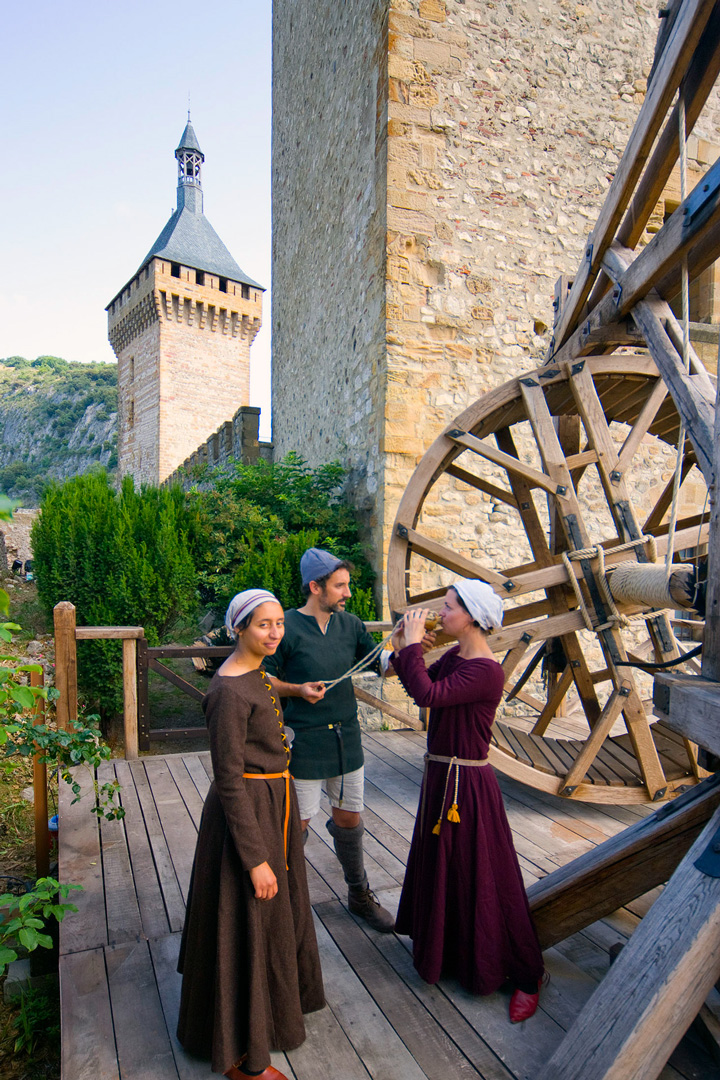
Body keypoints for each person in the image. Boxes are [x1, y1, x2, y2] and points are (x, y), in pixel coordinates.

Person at [177, 589, 325, 1080]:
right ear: (238, 628)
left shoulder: (255, 673)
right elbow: (228, 779)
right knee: (243, 924)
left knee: (271, 922)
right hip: (247, 818)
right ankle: (242, 1057)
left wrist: (295, 690)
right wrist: (255, 859)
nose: (275, 632)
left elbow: (264, 687)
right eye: (263, 624)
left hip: (274, 807)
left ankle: (268, 1020)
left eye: (279, 622)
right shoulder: (224, 692)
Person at [390, 580, 546, 1023]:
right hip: (442, 776)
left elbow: (429, 695)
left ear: (474, 617)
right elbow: (419, 685)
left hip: (469, 786)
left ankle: (526, 973)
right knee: (448, 867)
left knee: (486, 875)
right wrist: (407, 645)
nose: (443, 612)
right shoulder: (458, 657)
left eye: (449, 606)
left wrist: (414, 649)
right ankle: (456, 956)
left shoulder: (485, 670)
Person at [263, 548, 396, 932]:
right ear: (315, 587)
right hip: (303, 743)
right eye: (340, 586)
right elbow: (262, 676)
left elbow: (381, 665)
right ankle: (279, 906)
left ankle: (359, 895)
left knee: (349, 819)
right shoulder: (284, 625)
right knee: (296, 825)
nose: (348, 593)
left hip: (347, 740)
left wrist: (411, 646)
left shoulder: (351, 624)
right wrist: (296, 689)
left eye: (347, 585)